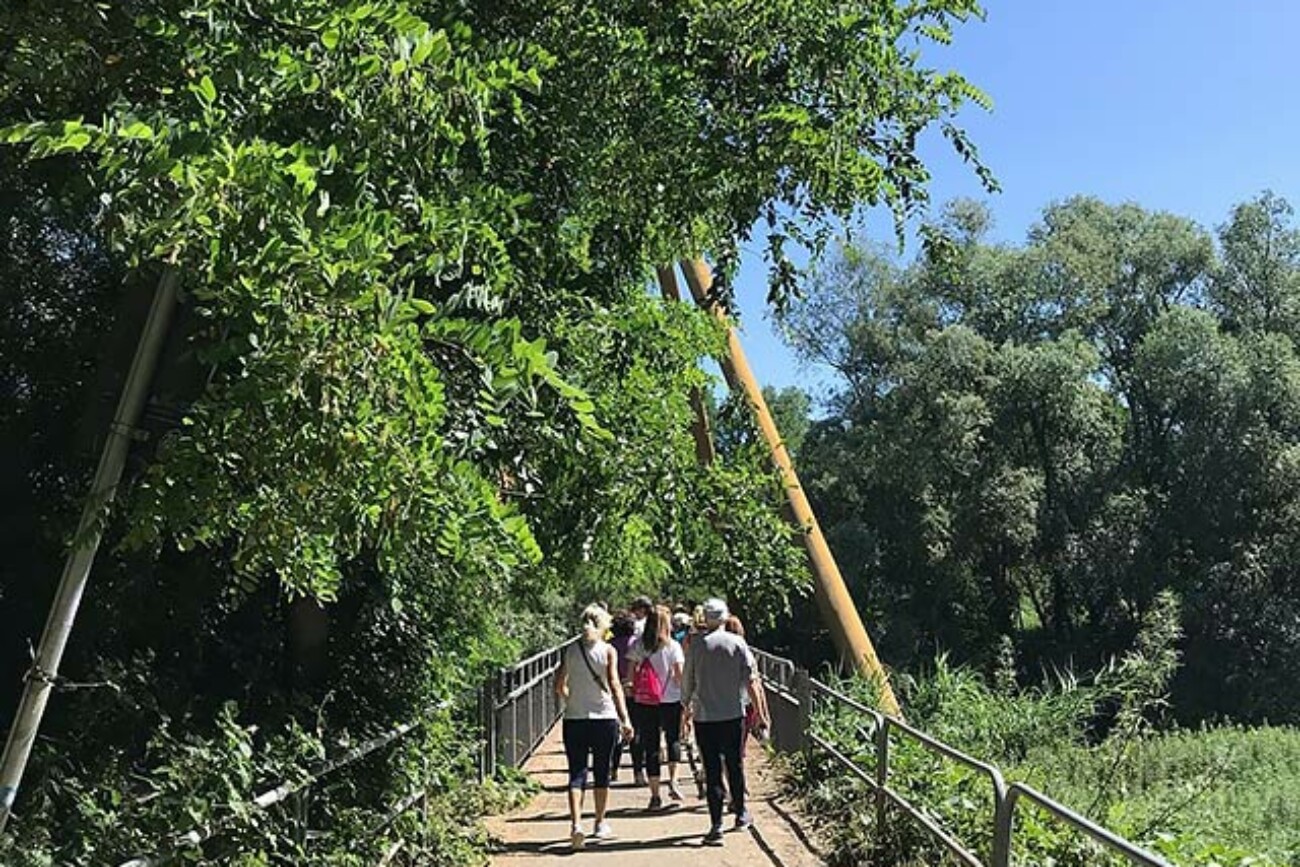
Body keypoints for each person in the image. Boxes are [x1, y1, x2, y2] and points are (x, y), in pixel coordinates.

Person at [681, 598, 771, 845]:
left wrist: (685, 707)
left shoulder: (696, 646)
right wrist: (761, 715)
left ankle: (716, 824)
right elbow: (752, 680)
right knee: (735, 765)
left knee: (711, 770)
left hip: (705, 716)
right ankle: (741, 814)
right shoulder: (738, 643)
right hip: (733, 714)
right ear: (724, 617)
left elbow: (687, 680)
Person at [553, 604, 635, 851]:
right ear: (603, 625)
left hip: (575, 718)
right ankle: (599, 823)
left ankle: (576, 824)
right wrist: (625, 719)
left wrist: (571, 697)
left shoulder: (569, 650)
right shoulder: (608, 650)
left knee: (576, 773)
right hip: (604, 718)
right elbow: (614, 685)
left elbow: (558, 685)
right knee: (602, 771)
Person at [628, 604, 686, 809]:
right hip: (670, 699)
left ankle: (654, 795)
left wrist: (634, 690)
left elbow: (630, 674)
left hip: (646, 701)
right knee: (673, 739)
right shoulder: (672, 647)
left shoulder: (639, 645)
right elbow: (679, 676)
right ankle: (673, 780)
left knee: (651, 745)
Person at [606, 611, 642, 783]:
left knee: (616, 732)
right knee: (635, 731)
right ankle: (638, 772)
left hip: (613, 692)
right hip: (634, 691)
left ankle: (613, 769)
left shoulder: (608, 645)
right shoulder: (637, 644)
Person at [624, 595, 654, 784]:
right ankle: (654, 777)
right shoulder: (667, 642)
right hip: (658, 693)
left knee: (637, 729)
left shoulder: (638, 640)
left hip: (638, 691)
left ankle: (639, 772)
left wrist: (630, 684)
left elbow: (631, 667)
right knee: (652, 733)